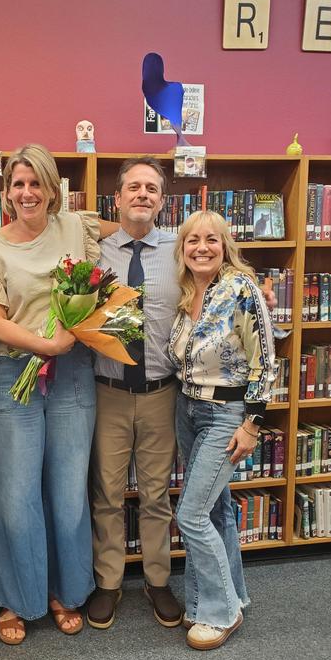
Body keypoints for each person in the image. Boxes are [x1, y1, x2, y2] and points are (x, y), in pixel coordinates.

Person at [0, 143, 118, 644]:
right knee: (16, 496)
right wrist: (49, 343)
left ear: (53, 190)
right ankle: (17, 597)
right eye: (18, 184)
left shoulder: (76, 226)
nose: (27, 193)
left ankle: (64, 593)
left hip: (73, 373)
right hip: (16, 378)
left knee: (69, 493)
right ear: (6, 192)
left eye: (37, 183)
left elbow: (126, 239)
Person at [169, 210, 276, 650]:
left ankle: (220, 613)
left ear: (225, 243)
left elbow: (265, 361)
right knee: (216, 511)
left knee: (190, 514)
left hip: (227, 413)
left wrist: (252, 425)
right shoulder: (187, 290)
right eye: (192, 240)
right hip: (188, 408)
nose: (201, 247)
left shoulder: (241, 288)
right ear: (183, 247)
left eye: (211, 239)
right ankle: (228, 595)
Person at [88, 157, 184, 631]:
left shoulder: (180, 248)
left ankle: (157, 579)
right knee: (105, 492)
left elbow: (224, 272)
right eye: (134, 187)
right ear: (118, 197)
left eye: (151, 188)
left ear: (161, 200)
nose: (142, 194)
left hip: (160, 394)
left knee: (155, 494)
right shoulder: (95, 250)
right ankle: (108, 582)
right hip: (106, 392)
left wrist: (261, 288)